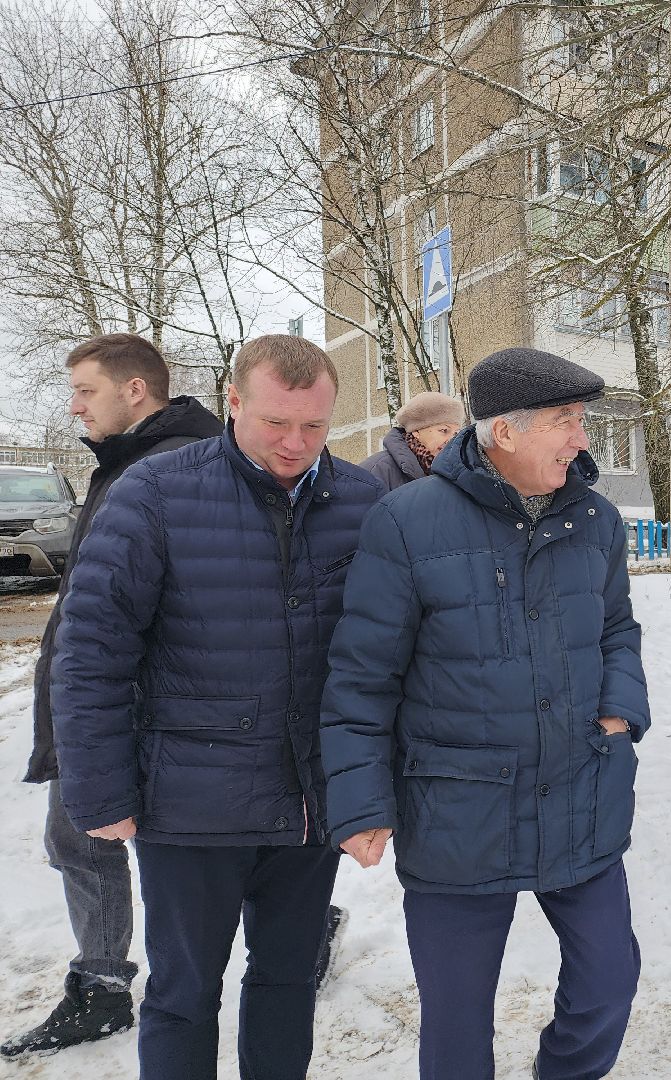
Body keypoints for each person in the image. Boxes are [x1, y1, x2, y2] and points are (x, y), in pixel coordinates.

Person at [49, 335, 383, 1080]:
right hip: (189, 805)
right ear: (233, 402)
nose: (295, 443)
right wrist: (101, 790)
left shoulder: (363, 502)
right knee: (183, 993)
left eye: (314, 426)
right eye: (276, 423)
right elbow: (93, 651)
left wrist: (372, 786)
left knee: (288, 981)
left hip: (307, 801)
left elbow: (388, 657)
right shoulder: (157, 492)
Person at [321, 347, 650, 1080]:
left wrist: (618, 715)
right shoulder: (406, 522)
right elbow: (363, 675)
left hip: (578, 791)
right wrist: (361, 801)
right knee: (456, 1019)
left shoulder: (596, 519)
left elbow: (616, 630)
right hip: (457, 810)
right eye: (565, 421)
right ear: (505, 431)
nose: (582, 438)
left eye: (581, 419)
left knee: (608, 981)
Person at [2, 335, 222, 1061]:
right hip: (106, 696)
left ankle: (102, 988)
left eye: (85, 390)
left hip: (128, 702)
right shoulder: (131, 460)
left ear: (135, 390)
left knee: (98, 840)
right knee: (105, 841)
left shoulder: (171, 467)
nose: (74, 407)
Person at [359, 390, 466, 490]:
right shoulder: (376, 471)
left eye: (456, 434)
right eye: (444, 430)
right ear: (416, 431)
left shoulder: (457, 473)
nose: (451, 440)